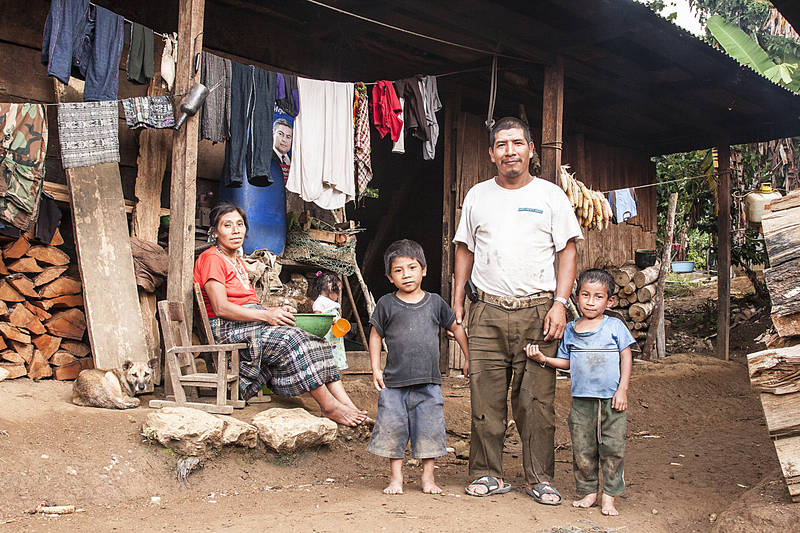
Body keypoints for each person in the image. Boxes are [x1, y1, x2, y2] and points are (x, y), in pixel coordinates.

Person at [453, 116, 582, 503]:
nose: (510, 151)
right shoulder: (477, 195)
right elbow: (465, 248)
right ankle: (486, 473)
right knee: (485, 396)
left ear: (530, 151)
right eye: (502, 144)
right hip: (487, 310)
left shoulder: (551, 196)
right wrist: (458, 299)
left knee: (536, 402)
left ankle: (540, 477)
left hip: (539, 311)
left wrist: (560, 303)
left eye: (518, 143)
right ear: (491, 153)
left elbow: (568, 250)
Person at [194, 203, 367, 427]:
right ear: (215, 232)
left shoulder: (235, 259)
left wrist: (271, 311)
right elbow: (221, 308)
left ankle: (348, 406)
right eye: (227, 225)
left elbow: (247, 303)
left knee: (317, 341)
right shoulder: (211, 259)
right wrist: (267, 316)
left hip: (247, 323)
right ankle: (329, 407)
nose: (236, 230)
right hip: (228, 328)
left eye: (240, 224)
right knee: (291, 341)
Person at [525, 268, 635, 516]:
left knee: (612, 448)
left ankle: (609, 496)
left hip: (611, 400)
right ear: (576, 297)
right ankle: (589, 492)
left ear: (610, 301)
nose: (591, 302)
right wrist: (544, 359)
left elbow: (626, 357)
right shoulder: (572, 329)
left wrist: (623, 390)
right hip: (582, 401)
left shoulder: (615, 326)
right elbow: (567, 363)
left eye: (598, 297)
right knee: (583, 448)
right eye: (586, 295)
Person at [367, 239, 469, 495]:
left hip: (429, 383)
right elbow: (375, 335)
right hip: (393, 384)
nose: (406, 275)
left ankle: (428, 478)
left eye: (412, 268)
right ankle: (396, 479)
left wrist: (468, 358)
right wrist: (375, 368)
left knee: (430, 429)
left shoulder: (435, 303)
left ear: (424, 270)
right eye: (398, 270)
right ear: (390, 277)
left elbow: (456, 328)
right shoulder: (386, 304)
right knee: (393, 430)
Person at [311, 270, 348, 370]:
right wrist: (330, 321)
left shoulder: (331, 302)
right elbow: (317, 320)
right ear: (330, 289)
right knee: (326, 359)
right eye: (338, 291)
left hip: (335, 337)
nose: (338, 295)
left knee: (335, 357)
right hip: (326, 338)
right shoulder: (319, 303)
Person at [271, 118, 292, 182]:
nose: (284, 140)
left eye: (288, 137)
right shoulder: (266, 158)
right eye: (280, 134)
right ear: (273, 134)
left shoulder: (294, 161)